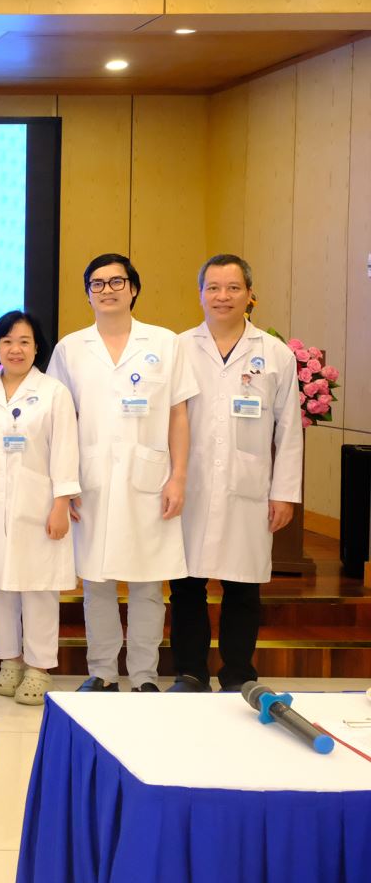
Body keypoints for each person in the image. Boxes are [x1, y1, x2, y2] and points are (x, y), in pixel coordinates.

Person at [49, 253, 197, 693]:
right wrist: (65, 484)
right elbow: (62, 422)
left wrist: (179, 477)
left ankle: (145, 676)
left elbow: (178, 415)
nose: (107, 290)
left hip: (150, 480)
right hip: (91, 481)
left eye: (117, 281)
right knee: (97, 584)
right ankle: (103, 673)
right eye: (97, 283)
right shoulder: (71, 348)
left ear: (133, 289)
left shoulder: (165, 343)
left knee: (148, 585)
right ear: (87, 294)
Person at [168, 254, 303, 692]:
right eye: (213, 287)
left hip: (248, 486)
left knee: (242, 586)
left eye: (232, 288)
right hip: (190, 484)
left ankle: (238, 675)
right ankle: (190, 671)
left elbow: (289, 429)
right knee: (186, 585)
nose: (222, 296)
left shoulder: (275, 354)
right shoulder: (179, 349)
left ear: (249, 294)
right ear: (200, 294)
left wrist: (284, 492)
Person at [0, 311, 81, 706]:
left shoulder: (54, 392)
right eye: (7, 341)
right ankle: (9, 661)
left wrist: (61, 503)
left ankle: (38, 667)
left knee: (38, 588)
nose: (15, 349)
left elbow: (66, 449)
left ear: (37, 347)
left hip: (39, 503)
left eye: (24, 341)